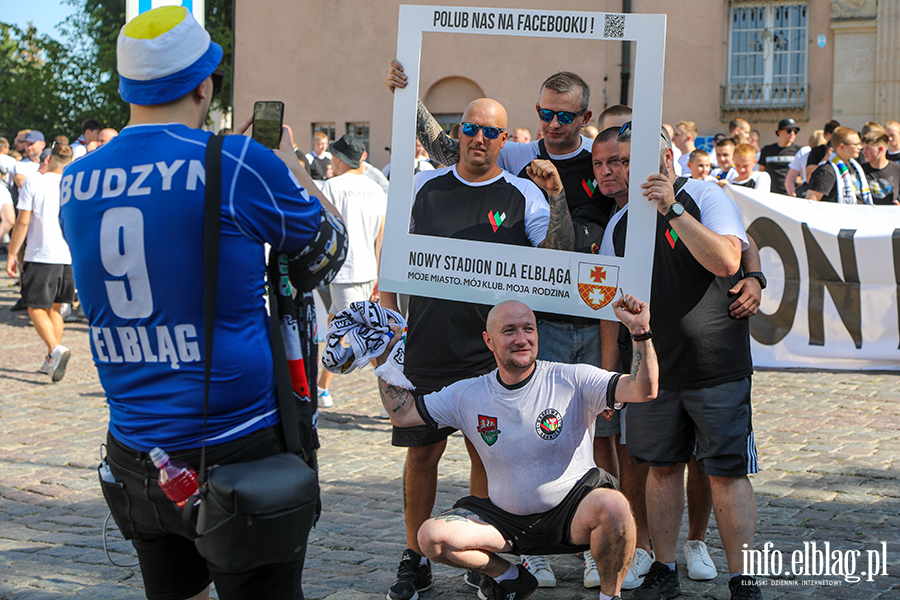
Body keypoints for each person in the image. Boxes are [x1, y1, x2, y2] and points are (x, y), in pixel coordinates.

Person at [58, 7, 347, 600]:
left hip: (138, 450)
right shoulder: (236, 162)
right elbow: (328, 248)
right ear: (204, 83)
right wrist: (292, 168)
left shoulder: (76, 180)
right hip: (239, 444)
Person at [378, 96, 573, 600]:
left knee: (487, 458)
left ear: (505, 140)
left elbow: (553, 265)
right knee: (422, 457)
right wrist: (389, 327)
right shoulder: (423, 187)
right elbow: (392, 259)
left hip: (489, 356)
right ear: (456, 133)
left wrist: (555, 200)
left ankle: (488, 560)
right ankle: (414, 556)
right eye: (469, 128)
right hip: (427, 346)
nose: (479, 138)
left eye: (491, 132)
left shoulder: (522, 195)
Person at [375, 296, 659, 600]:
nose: (522, 339)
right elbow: (403, 414)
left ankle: (609, 596)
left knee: (616, 507)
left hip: (573, 514)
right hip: (505, 523)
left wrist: (641, 332)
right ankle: (510, 577)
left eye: (528, 329)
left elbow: (644, 389)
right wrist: (383, 355)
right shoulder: (469, 394)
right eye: (509, 331)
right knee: (431, 538)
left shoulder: (572, 378)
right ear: (489, 341)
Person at [601, 123, 764, 600]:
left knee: (727, 472)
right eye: (621, 160)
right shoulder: (621, 222)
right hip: (656, 368)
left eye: (634, 160)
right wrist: (616, 372)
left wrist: (671, 208)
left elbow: (727, 261)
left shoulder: (706, 197)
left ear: (667, 158)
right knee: (662, 468)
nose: (627, 170)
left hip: (717, 366)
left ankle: (743, 577)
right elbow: (612, 300)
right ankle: (664, 569)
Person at [316, 134, 387, 408]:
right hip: (367, 270)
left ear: (337, 158)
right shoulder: (375, 188)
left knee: (369, 342)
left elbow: (322, 229)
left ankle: (398, 397)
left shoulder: (331, 186)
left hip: (343, 271)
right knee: (338, 327)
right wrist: (381, 273)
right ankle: (322, 387)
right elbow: (381, 236)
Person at [5, 143, 75, 381]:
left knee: (34, 306)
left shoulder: (35, 181)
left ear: (49, 160)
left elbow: (23, 222)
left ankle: (56, 349)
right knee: (55, 308)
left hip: (41, 254)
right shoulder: (72, 184)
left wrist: (13, 253)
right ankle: (50, 359)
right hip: (67, 255)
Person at [806, 127, 871, 204]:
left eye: (859, 144)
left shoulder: (854, 167)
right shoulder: (826, 171)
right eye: (855, 144)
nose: (860, 147)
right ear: (842, 146)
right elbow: (811, 201)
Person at [758, 118, 800, 195]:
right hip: (770, 195)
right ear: (779, 132)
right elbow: (762, 173)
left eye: (795, 131)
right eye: (789, 131)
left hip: (791, 195)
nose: (792, 134)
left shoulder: (799, 151)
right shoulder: (767, 150)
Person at [861, 129, 900, 205]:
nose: (864, 152)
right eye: (863, 148)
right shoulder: (860, 170)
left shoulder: (897, 170)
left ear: (880, 149)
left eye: (868, 148)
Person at [785, 130, 825, 197]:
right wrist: (793, 195)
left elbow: (790, 178)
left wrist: (792, 194)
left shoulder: (804, 151)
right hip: (811, 189)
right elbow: (790, 178)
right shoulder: (804, 152)